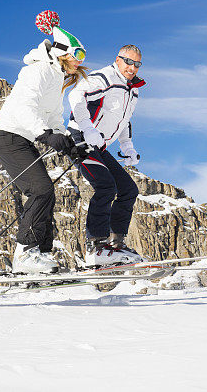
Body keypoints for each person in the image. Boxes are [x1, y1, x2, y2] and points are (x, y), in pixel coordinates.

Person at [0, 12, 88, 274]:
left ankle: (41, 255)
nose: (80, 62)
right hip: (8, 135)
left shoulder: (55, 76)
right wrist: (45, 134)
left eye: (83, 57)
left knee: (46, 192)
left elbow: (54, 116)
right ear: (62, 52)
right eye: (77, 55)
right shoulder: (37, 70)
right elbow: (24, 106)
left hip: (22, 137)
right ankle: (25, 254)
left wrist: (67, 143)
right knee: (40, 189)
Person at [67, 44, 145, 266]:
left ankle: (115, 244)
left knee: (128, 190)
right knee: (105, 186)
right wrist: (87, 127)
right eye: (128, 61)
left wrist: (128, 146)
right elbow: (75, 95)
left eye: (137, 64)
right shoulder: (104, 77)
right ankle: (96, 245)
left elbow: (123, 121)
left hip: (99, 146)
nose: (132, 67)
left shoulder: (133, 90)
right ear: (118, 59)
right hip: (80, 139)